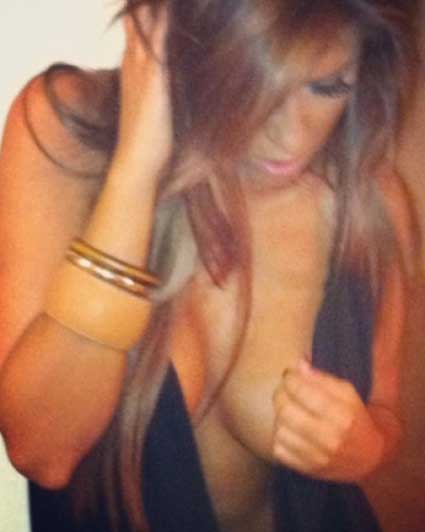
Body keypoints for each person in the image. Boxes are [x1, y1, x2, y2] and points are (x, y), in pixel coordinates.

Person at [0, 1, 419, 531]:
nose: (292, 137)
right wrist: (136, 168)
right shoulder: (70, 136)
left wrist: (365, 449)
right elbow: (43, 453)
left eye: (328, 86)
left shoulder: (370, 201)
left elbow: (385, 411)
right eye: (252, 84)